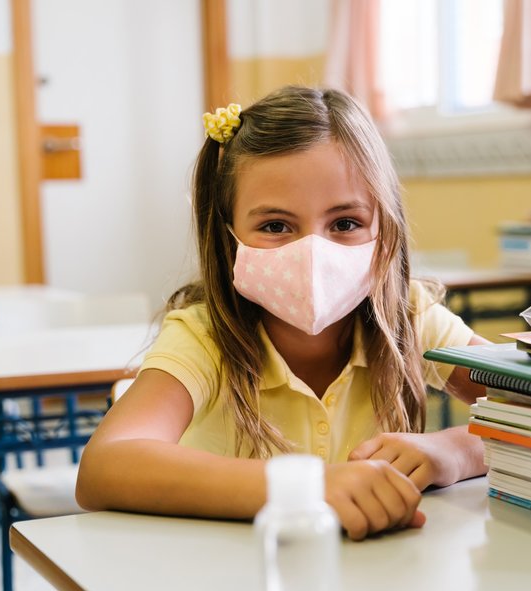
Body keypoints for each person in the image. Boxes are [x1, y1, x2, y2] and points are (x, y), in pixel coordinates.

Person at [76, 85, 489, 540]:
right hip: (225, 588)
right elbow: (103, 466)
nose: (313, 253)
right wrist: (305, 489)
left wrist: (456, 451)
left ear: (384, 224)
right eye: (275, 226)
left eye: (345, 223)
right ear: (228, 232)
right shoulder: (203, 337)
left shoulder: (407, 316)